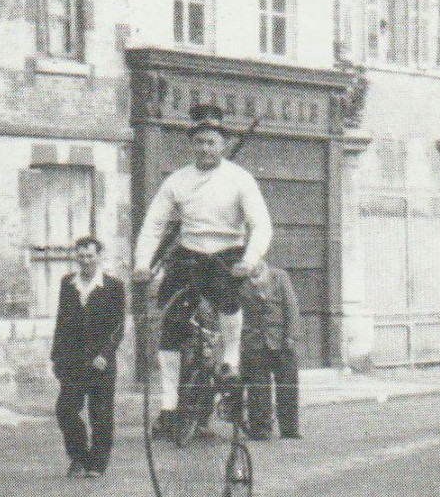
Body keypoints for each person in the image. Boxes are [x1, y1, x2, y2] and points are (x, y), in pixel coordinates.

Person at [133, 104, 272, 437]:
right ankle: (168, 405)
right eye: (199, 142)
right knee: (170, 324)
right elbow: (154, 224)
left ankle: (230, 360)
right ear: (190, 145)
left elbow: (262, 225)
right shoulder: (177, 181)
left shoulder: (240, 180)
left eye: (211, 142)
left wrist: (249, 260)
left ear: (222, 144)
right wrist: (142, 264)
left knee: (228, 296)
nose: (205, 149)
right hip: (190, 252)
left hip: (227, 253)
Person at [50, 236, 125, 478]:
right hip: (72, 360)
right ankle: (79, 456)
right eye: (81, 256)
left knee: (100, 413)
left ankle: (97, 464)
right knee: (65, 409)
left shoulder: (113, 286)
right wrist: (56, 356)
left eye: (90, 256)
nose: (85, 261)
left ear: (99, 256)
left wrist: (105, 353)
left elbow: (119, 325)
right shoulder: (67, 284)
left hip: (100, 362)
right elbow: (61, 322)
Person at [239, 261, 302, 441]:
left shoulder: (280, 276)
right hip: (254, 342)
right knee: (258, 388)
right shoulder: (241, 282)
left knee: (288, 385)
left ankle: (289, 429)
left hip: (282, 341)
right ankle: (260, 429)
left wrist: (291, 336)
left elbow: (291, 308)